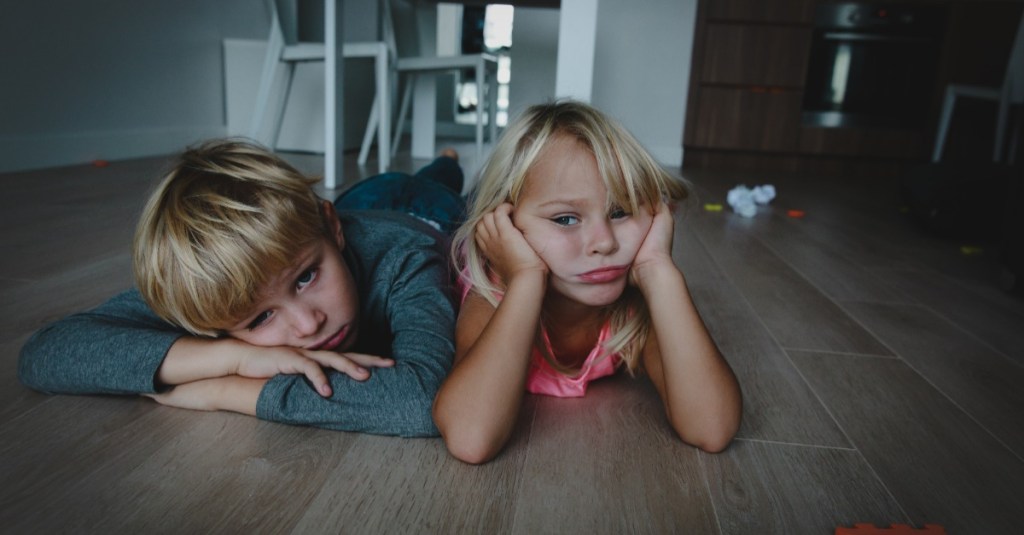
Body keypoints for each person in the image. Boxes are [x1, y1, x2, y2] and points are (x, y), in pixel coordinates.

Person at [18, 138, 465, 437]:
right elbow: (47, 353)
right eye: (259, 319)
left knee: (434, 183)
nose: (309, 323)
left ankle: (448, 160)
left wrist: (225, 391)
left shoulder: (405, 260)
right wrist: (233, 357)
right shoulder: (231, 285)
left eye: (307, 276)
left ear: (331, 230)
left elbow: (427, 400)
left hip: (425, 218)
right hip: (353, 209)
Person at [432, 100, 743, 463]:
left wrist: (659, 269)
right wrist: (526, 280)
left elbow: (713, 428)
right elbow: (471, 438)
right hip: (432, 218)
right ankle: (447, 162)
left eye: (620, 211)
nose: (605, 243)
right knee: (437, 192)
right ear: (508, 226)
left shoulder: (635, 310)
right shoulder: (492, 294)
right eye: (565, 219)